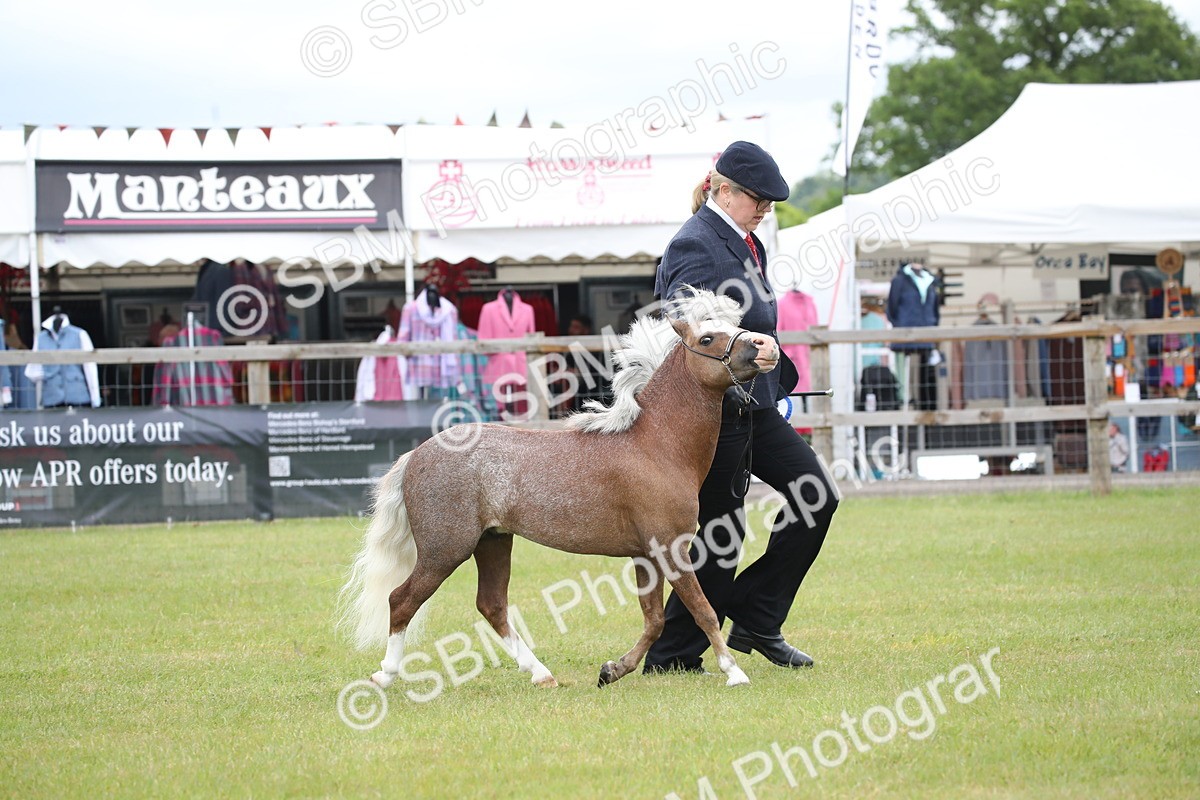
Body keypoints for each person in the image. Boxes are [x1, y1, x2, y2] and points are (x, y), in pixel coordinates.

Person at [644, 141, 839, 674]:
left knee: (816, 495)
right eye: (759, 199)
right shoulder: (694, 244)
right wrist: (752, 340)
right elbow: (688, 327)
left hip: (756, 401)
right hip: (717, 410)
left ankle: (755, 618)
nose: (767, 209)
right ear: (722, 190)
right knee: (721, 536)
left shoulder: (747, 242)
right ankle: (673, 656)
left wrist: (773, 376)